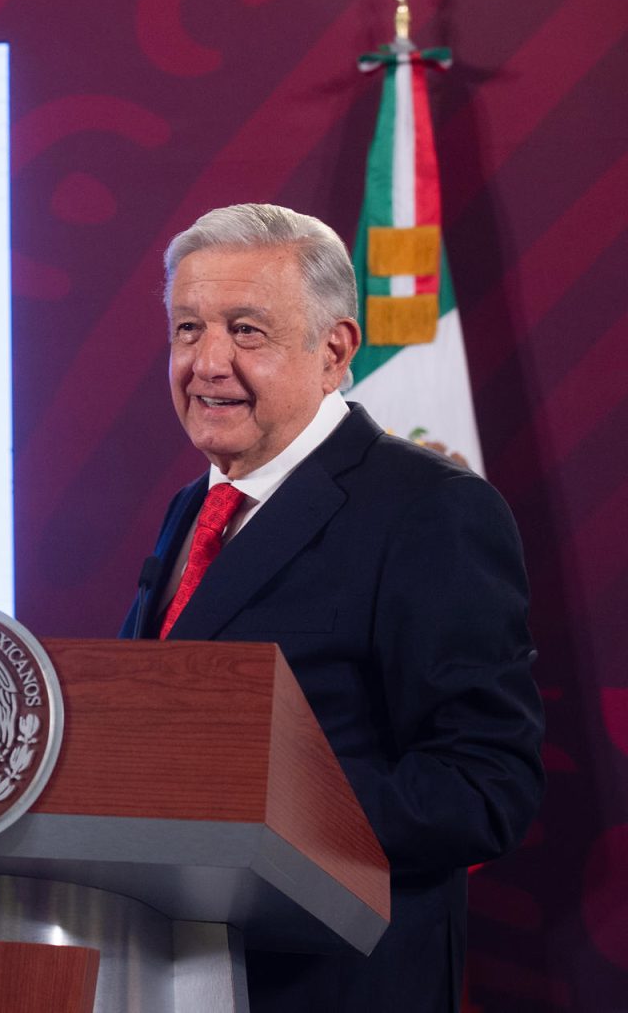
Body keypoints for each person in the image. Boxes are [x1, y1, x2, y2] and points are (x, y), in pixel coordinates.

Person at [119, 203, 544, 1011]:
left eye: (247, 331)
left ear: (335, 352)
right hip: (175, 973)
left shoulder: (430, 510)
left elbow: (485, 787)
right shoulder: (194, 506)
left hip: (339, 983)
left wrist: (256, 818)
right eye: (186, 329)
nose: (207, 363)